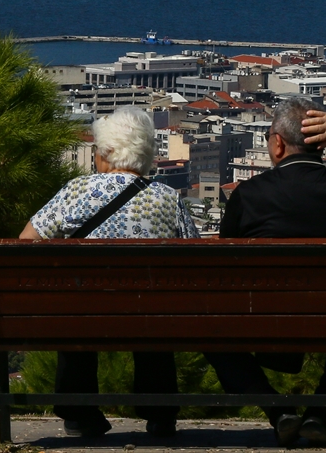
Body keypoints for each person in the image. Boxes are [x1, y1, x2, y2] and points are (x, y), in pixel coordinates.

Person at [208, 97, 326, 448]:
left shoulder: (248, 194)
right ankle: (320, 413)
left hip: (259, 319)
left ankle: (277, 410)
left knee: (211, 330)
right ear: (322, 142)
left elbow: (226, 260)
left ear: (277, 143)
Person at [20, 106, 200, 439]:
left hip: (84, 316)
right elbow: (195, 256)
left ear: (105, 153)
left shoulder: (76, 191)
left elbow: (26, 241)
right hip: (149, 318)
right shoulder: (168, 198)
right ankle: (160, 414)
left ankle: (78, 413)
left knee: (77, 309)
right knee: (154, 312)